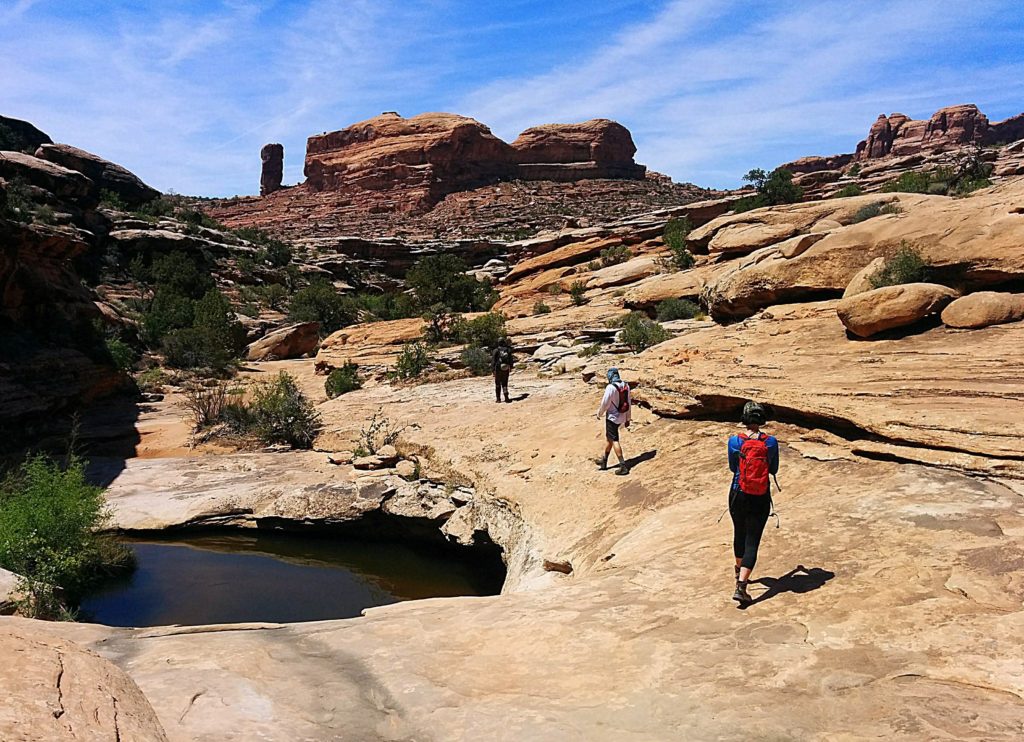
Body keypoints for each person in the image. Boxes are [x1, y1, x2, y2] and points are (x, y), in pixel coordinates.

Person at [728, 401, 779, 605]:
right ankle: (741, 586)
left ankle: (739, 572)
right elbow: (773, 469)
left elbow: (733, 468)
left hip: (737, 493)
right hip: (759, 495)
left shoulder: (734, 441)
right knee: (752, 540)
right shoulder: (771, 442)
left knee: (739, 533)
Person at [596, 367, 631, 475]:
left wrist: (599, 414)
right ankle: (604, 461)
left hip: (612, 417)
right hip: (621, 415)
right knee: (609, 439)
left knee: (614, 440)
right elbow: (629, 402)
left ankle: (623, 466)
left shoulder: (610, 387)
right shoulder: (626, 385)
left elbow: (605, 403)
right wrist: (627, 418)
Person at [491, 337, 514, 403]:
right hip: (506, 368)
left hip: (498, 368)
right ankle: (506, 396)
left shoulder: (496, 350)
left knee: (498, 383)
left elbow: (493, 361)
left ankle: (498, 399)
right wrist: (511, 367)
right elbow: (511, 359)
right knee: (505, 382)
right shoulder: (508, 350)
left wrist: (493, 370)